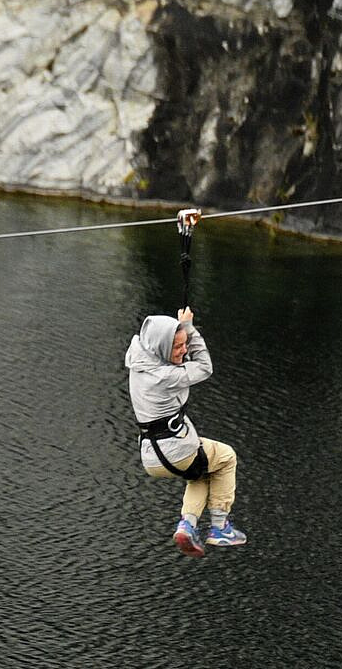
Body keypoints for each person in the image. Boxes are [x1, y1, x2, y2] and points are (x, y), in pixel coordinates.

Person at [125, 210, 244, 557]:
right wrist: (189, 329)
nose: (181, 351)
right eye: (177, 347)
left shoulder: (141, 359)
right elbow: (205, 367)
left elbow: (159, 339)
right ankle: (220, 527)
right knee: (226, 457)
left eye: (182, 346)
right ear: (163, 347)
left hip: (152, 456)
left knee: (201, 473)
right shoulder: (168, 375)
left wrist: (178, 332)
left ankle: (187, 526)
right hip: (176, 449)